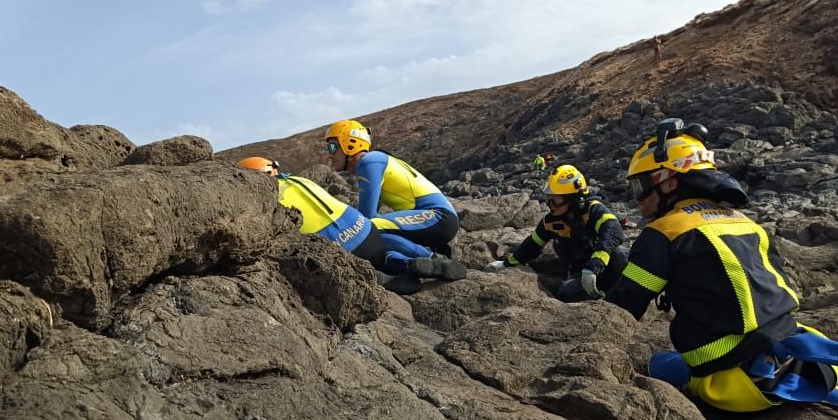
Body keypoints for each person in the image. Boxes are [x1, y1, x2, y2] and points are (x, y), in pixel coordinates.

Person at [604, 118, 838, 420]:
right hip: (807, 363)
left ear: (668, 182)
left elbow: (623, 307)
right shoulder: (744, 222)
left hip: (733, 387)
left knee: (657, 364)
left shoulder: (664, 232)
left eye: (640, 186)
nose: (638, 198)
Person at [238, 157, 422, 295]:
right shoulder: (299, 180)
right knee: (377, 255)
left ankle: (376, 279)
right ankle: (405, 263)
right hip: (367, 232)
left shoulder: (267, 199)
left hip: (342, 250)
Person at [325, 120, 466, 281]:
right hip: (436, 222)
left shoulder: (369, 161)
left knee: (367, 232)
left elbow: (366, 219)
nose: (329, 154)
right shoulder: (375, 162)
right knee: (375, 239)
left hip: (439, 217)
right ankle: (409, 267)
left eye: (332, 147)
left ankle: (435, 259)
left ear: (350, 143)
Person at [484, 164, 629, 302]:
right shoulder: (551, 222)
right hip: (581, 273)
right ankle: (603, 298)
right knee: (566, 293)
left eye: (556, 199)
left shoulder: (594, 211)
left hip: (606, 268)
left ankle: (618, 293)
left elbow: (613, 230)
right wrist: (506, 264)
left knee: (618, 253)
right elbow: (532, 245)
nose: (550, 204)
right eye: (549, 199)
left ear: (573, 198)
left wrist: (595, 264)